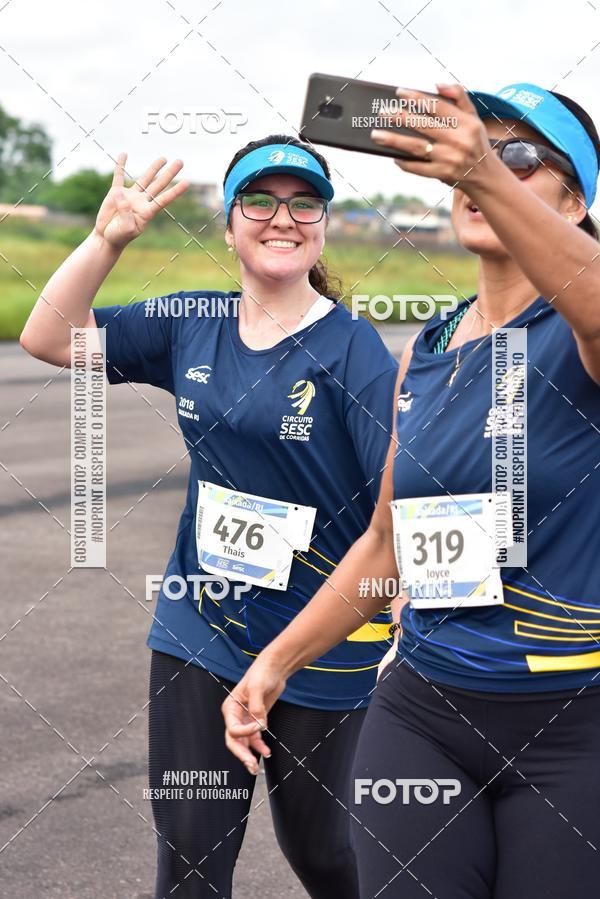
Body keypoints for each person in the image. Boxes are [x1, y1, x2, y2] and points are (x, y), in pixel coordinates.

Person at [222, 82, 600, 899]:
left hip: (575, 724)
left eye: (519, 157)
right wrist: (275, 663)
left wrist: (480, 169)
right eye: (474, 152)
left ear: (574, 205)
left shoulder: (579, 337)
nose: (484, 172)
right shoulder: (426, 350)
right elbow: (388, 546)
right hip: (424, 713)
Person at [19, 135, 400, 898]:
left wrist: (405, 628)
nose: (281, 217)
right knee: (191, 861)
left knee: (325, 856)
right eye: (259, 200)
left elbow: (395, 528)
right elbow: (48, 336)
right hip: (203, 626)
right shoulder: (192, 320)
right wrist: (103, 241)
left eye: (304, 202)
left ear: (323, 222)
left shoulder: (357, 355)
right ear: (229, 224)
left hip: (324, 645)